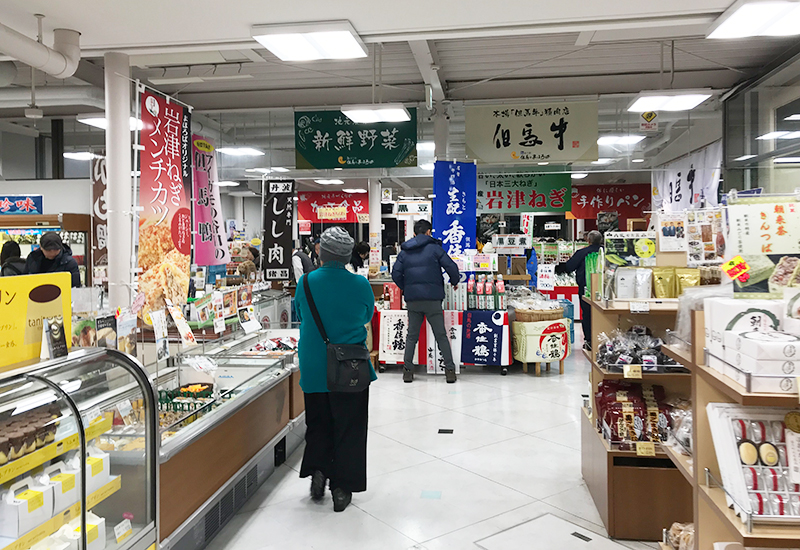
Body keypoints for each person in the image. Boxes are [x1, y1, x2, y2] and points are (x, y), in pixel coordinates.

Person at [294, 227, 376, 513]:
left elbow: (300, 314)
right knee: (350, 426)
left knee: (318, 421)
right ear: (346, 255)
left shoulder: (305, 283)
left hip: (315, 364)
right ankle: (342, 488)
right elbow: (366, 315)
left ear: (321, 252)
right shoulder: (360, 284)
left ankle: (317, 471)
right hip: (349, 367)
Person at [392, 219, 460, 384]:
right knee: (441, 336)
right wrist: (454, 281)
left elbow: (395, 274)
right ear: (429, 232)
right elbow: (451, 266)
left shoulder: (404, 251)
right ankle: (449, 371)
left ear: (414, 234)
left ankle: (408, 371)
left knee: (411, 336)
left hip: (413, 300)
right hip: (432, 299)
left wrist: (406, 287)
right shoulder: (435, 249)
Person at [555, 230, 603, 351]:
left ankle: (590, 341)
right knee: (603, 314)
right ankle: (603, 341)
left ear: (588, 240)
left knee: (587, 314)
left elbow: (569, 267)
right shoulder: (607, 253)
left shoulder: (582, 253)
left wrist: (556, 268)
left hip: (586, 289)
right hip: (605, 289)